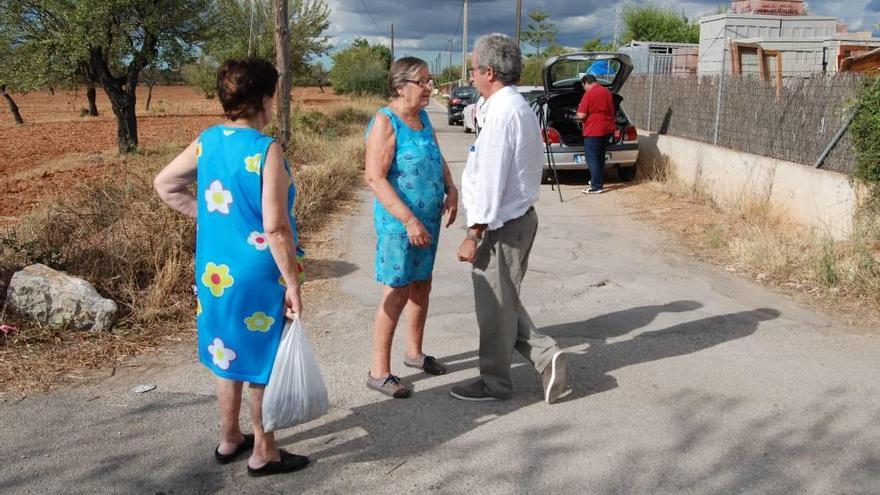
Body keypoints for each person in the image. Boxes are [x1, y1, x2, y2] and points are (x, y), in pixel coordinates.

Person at [154, 58, 309, 477]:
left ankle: (229, 438)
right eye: (275, 94)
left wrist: (210, 218)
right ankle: (264, 451)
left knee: (227, 353)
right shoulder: (265, 149)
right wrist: (292, 282)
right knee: (261, 360)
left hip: (214, 272)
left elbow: (164, 184)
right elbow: (276, 227)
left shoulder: (207, 140)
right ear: (262, 98)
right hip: (258, 273)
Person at [452, 33, 569, 405]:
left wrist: (473, 232)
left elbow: (491, 181)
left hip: (500, 226)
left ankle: (498, 381)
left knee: (494, 307)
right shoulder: (510, 107)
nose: (470, 77)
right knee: (501, 302)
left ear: (489, 71)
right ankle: (544, 358)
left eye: (473, 70)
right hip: (512, 220)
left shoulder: (504, 113)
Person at [363, 57, 459, 398]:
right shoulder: (385, 121)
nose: (430, 87)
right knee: (397, 290)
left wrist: (451, 187)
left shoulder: (421, 118)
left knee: (422, 285)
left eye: (430, 81)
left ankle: (414, 354)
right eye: (424, 82)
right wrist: (408, 219)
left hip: (427, 221)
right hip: (399, 224)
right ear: (400, 86)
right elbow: (374, 177)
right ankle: (379, 372)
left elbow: (435, 155)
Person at [576, 74, 617, 194]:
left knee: (592, 158)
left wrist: (577, 115)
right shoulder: (607, 92)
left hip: (593, 130)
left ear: (586, 83)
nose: (584, 89)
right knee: (600, 156)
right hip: (607, 129)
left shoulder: (588, 94)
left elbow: (582, 115)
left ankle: (596, 186)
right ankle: (597, 180)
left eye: (584, 86)